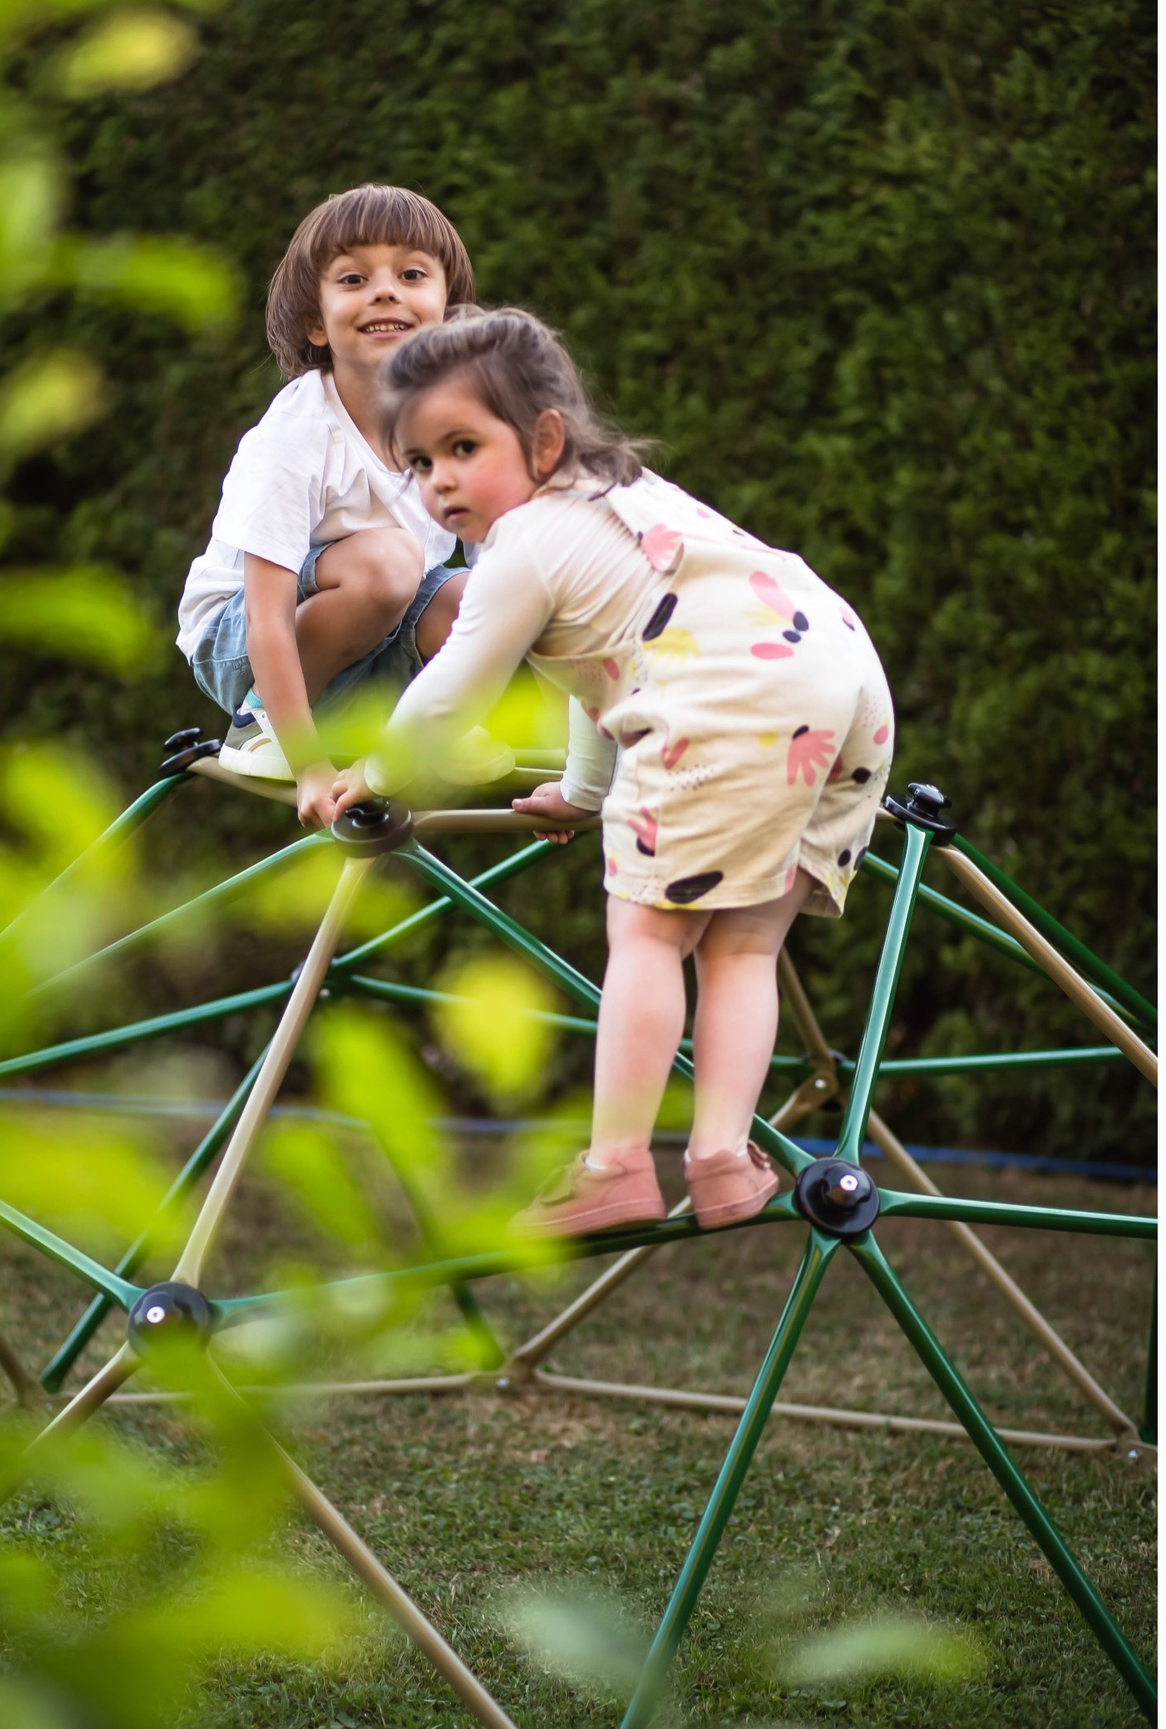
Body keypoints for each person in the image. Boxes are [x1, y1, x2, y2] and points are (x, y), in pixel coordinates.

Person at [331, 309, 894, 1235]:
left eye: (462, 447)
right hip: (840, 679)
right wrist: (586, 794)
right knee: (743, 944)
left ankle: (618, 1164)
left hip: (727, 699)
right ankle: (720, 1159)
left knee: (647, 934)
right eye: (420, 463)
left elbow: (450, 692)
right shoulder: (627, 500)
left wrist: (377, 769)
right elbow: (604, 667)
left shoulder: (526, 541)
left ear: (544, 438)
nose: (440, 483)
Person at [176, 184, 504, 828]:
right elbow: (267, 609)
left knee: (473, 595)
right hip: (243, 644)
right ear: (315, 323)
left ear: (447, 309)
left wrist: (578, 776)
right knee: (387, 561)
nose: (385, 291)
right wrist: (308, 768)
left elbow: (503, 593)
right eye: (354, 278)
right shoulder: (299, 433)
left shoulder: (456, 427)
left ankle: (415, 725)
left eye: (411, 274)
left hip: (374, 635)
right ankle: (261, 727)